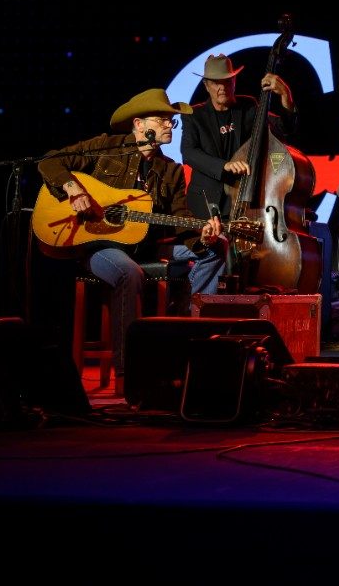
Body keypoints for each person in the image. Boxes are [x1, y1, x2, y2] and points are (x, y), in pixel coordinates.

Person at [38, 88, 222, 390]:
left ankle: (195, 340)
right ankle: (130, 371)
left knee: (216, 251)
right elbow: (50, 161)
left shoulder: (171, 171)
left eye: (171, 122)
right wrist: (74, 189)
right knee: (129, 272)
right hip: (97, 244)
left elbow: (182, 221)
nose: (169, 127)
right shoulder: (107, 148)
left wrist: (203, 237)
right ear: (139, 124)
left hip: (144, 244)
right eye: (162, 120)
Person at [181, 53, 297, 294]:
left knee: (243, 263)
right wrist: (224, 165)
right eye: (215, 82)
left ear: (234, 82)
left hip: (243, 203)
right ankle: (197, 305)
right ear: (206, 85)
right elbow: (188, 153)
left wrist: (285, 95)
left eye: (226, 81)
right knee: (217, 253)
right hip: (207, 202)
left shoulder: (250, 107)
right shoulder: (194, 115)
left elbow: (283, 129)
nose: (221, 87)